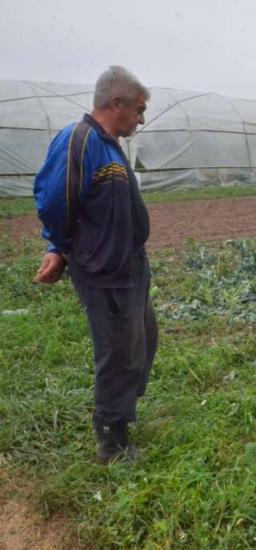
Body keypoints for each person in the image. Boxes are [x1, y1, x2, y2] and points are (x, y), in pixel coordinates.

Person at [34, 66, 157, 464]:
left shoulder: (109, 146)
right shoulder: (79, 140)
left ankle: (123, 411)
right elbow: (55, 201)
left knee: (143, 340)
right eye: (138, 110)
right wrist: (61, 247)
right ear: (115, 103)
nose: (140, 119)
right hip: (104, 268)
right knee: (118, 352)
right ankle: (111, 439)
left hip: (130, 266)